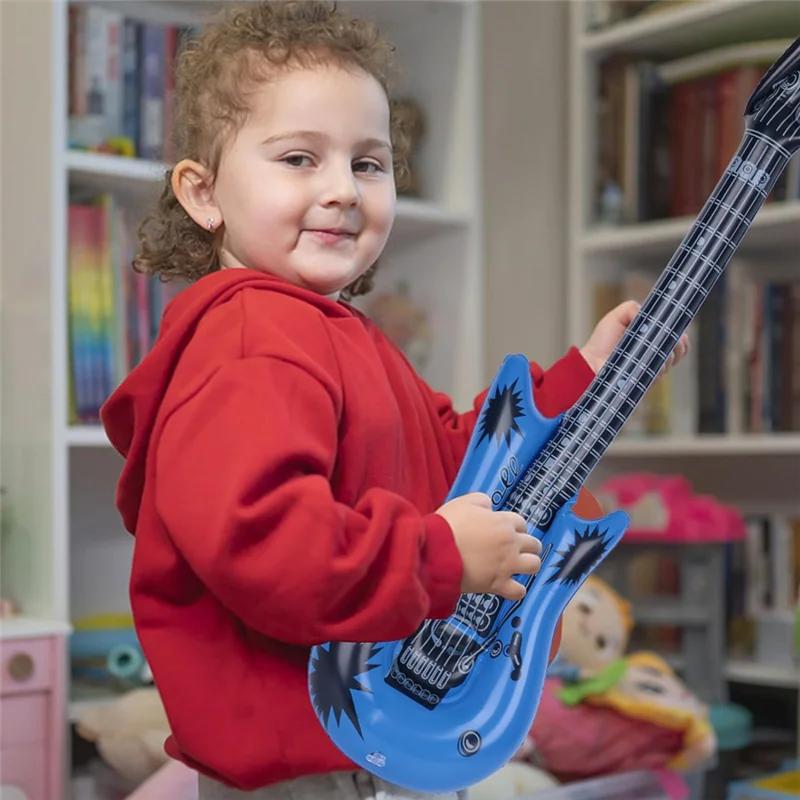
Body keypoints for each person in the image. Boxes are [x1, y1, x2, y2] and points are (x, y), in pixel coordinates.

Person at [100, 2, 689, 799]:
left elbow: (454, 456)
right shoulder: (250, 339)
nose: (343, 190)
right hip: (303, 757)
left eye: (369, 164)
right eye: (300, 158)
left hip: (369, 737)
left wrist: (589, 368)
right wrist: (441, 556)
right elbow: (266, 542)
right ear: (203, 194)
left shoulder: (335, 332)